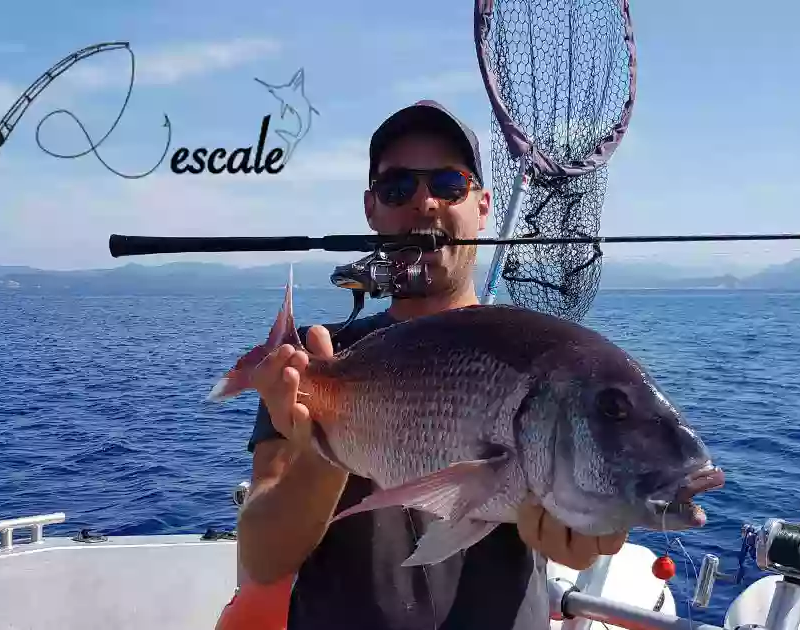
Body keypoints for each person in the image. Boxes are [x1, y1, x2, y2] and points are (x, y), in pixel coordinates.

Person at [228, 100, 629, 630]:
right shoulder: (316, 359)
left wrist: (587, 534)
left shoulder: (539, 361)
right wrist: (325, 441)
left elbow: (588, 502)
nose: (424, 202)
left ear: (483, 206)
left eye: (448, 183)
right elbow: (263, 559)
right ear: (371, 209)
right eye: (398, 188)